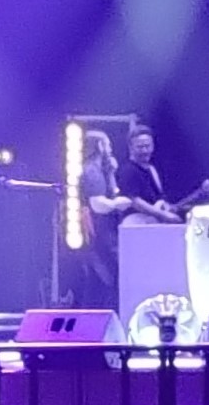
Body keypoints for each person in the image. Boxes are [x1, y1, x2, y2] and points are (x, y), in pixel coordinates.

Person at [71, 128, 131, 309]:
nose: (111, 150)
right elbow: (97, 204)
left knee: (98, 281)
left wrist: (111, 173)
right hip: (100, 234)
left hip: (103, 233)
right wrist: (118, 204)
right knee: (107, 278)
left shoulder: (101, 171)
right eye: (108, 145)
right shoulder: (92, 171)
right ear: (100, 146)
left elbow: (112, 191)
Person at [118, 124, 183, 222]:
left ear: (153, 145)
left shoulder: (152, 168)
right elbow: (135, 201)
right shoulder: (128, 171)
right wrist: (164, 215)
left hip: (152, 221)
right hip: (135, 222)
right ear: (131, 147)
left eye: (147, 146)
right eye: (140, 147)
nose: (145, 150)